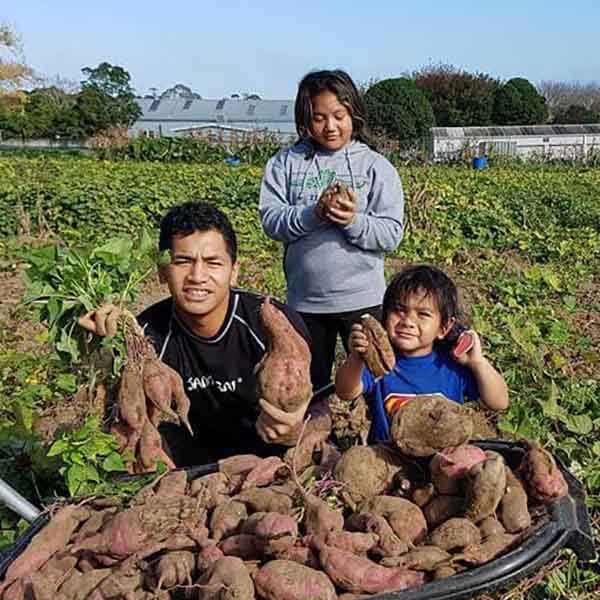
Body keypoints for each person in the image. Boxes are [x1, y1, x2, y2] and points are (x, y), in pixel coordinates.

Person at [79, 201, 312, 466]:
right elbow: (121, 416)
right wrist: (101, 348)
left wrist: (295, 429)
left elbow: (318, 405)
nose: (197, 276)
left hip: (272, 463)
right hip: (187, 467)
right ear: (162, 271)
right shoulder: (145, 337)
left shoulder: (274, 326)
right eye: (183, 261)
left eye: (213, 262)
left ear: (234, 271)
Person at [259, 69, 404, 392]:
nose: (331, 126)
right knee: (310, 385)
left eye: (339, 115)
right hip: (306, 303)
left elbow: (391, 233)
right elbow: (271, 221)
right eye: (319, 117)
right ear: (305, 120)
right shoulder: (286, 163)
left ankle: (374, 438)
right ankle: (316, 439)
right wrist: (314, 214)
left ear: (354, 113)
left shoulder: (375, 167)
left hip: (364, 299)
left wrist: (353, 221)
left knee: (374, 379)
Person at [335, 264, 509, 443]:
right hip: (387, 458)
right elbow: (344, 392)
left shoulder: (452, 367)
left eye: (423, 314)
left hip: (442, 458)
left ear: (445, 327)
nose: (408, 321)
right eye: (399, 310)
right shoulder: (380, 363)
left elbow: (499, 402)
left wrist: (478, 362)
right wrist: (357, 357)